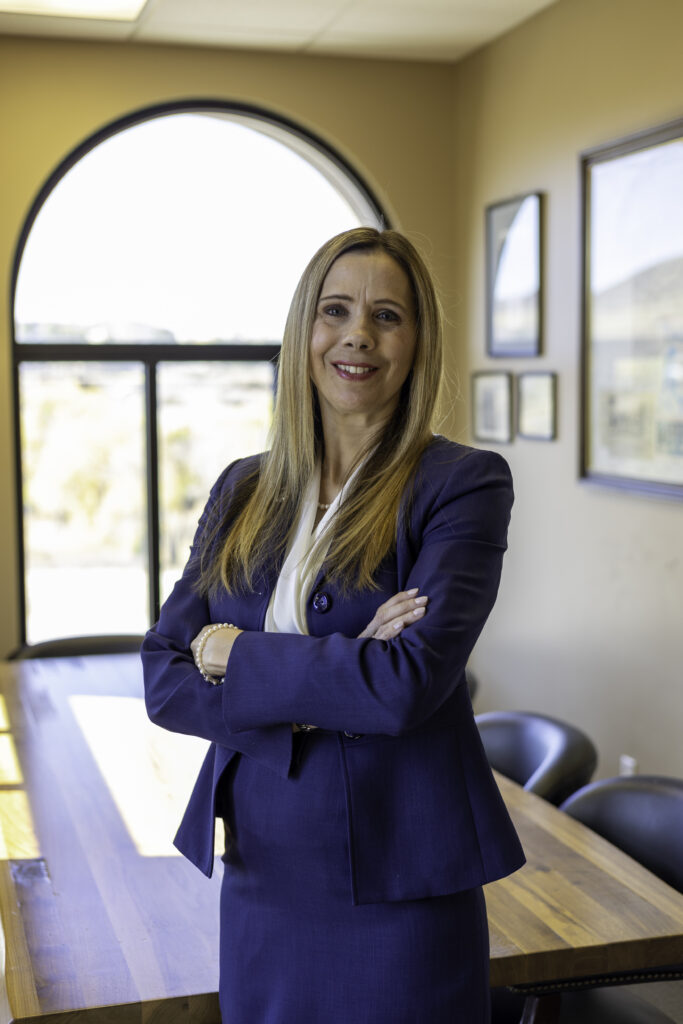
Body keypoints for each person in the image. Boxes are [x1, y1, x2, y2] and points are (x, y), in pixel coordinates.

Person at [141, 226, 525, 1023]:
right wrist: (338, 669)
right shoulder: (243, 489)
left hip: (400, 884)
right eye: (336, 310)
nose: (357, 334)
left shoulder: (460, 485)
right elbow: (161, 675)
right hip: (263, 875)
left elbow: (402, 689)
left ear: (416, 343)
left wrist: (232, 652)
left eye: (387, 315)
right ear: (303, 332)